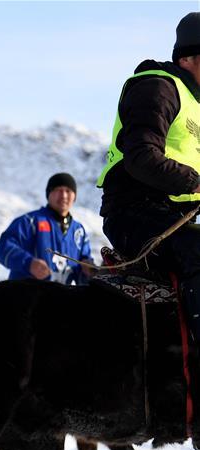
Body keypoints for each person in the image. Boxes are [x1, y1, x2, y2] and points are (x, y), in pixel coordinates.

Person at [98, 11, 200, 346]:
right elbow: (141, 157)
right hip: (135, 212)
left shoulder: (194, 104)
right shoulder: (158, 87)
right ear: (188, 58)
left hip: (171, 216)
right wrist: (195, 183)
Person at [0, 173, 93, 285]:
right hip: (25, 298)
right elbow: (3, 247)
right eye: (58, 190)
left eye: (68, 191)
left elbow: (82, 277)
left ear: (74, 196)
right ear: (48, 194)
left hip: (61, 299)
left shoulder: (79, 231)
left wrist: (87, 271)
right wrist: (29, 263)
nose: (64, 196)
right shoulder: (30, 222)